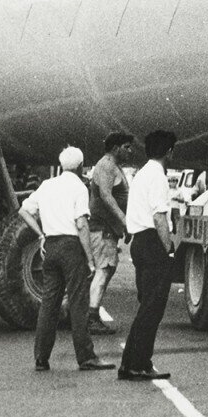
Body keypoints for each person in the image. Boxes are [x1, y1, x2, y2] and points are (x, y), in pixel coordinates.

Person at [25, 147, 114, 372]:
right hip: (71, 247)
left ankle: (41, 357)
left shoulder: (47, 185)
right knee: (78, 303)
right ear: (80, 166)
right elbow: (82, 224)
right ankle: (86, 357)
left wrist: (40, 235)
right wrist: (90, 259)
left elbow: (24, 211)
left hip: (51, 245)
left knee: (49, 304)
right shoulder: (78, 188)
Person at [117, 129, 179, 382]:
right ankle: (139, 364)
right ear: (168, 152)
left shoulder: (142, 174)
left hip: (139, 243)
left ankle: (131, 363)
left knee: (146, 307)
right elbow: (159, 216)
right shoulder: (158, 177)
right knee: (152, 309)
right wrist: (170, 248)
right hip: (153, 242)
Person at [81, 132, 134, 333]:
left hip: (109, 229)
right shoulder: (106, 166)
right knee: (103, 270)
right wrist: (124, 221)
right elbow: (105, 195)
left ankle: (88, 314)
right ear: (115, 148)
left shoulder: (112, 166)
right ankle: (91, 317)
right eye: (127, 147)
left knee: (106, 269)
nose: (130, 151)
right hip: (103, 229)